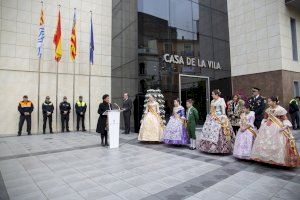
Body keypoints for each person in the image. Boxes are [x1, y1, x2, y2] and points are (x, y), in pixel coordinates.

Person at [251, 96, 300, 167]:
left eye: (270, 101)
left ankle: (276, 159)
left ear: (274, 102)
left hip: (277, 128)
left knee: (277, 143)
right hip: (267, 128)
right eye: (268, 101)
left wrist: (285, 126)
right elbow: (265, 118)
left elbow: (285, 118)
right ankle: (266, 159)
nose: (268, 103)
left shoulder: (280, 109)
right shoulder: (267, 110)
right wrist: (262, 125)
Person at [198, 89, 234, 154]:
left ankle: (221, 148)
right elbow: (211, 110)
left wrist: (223, 117)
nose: (212, 95)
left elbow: (223, 110)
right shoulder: (212, 101)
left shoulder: (221, 100)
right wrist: (210, 115)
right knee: (208, 131)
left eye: (213, 94)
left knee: (220, 132)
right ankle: (208, 147)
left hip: (219, 117)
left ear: (217, 95)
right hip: (212, 117)